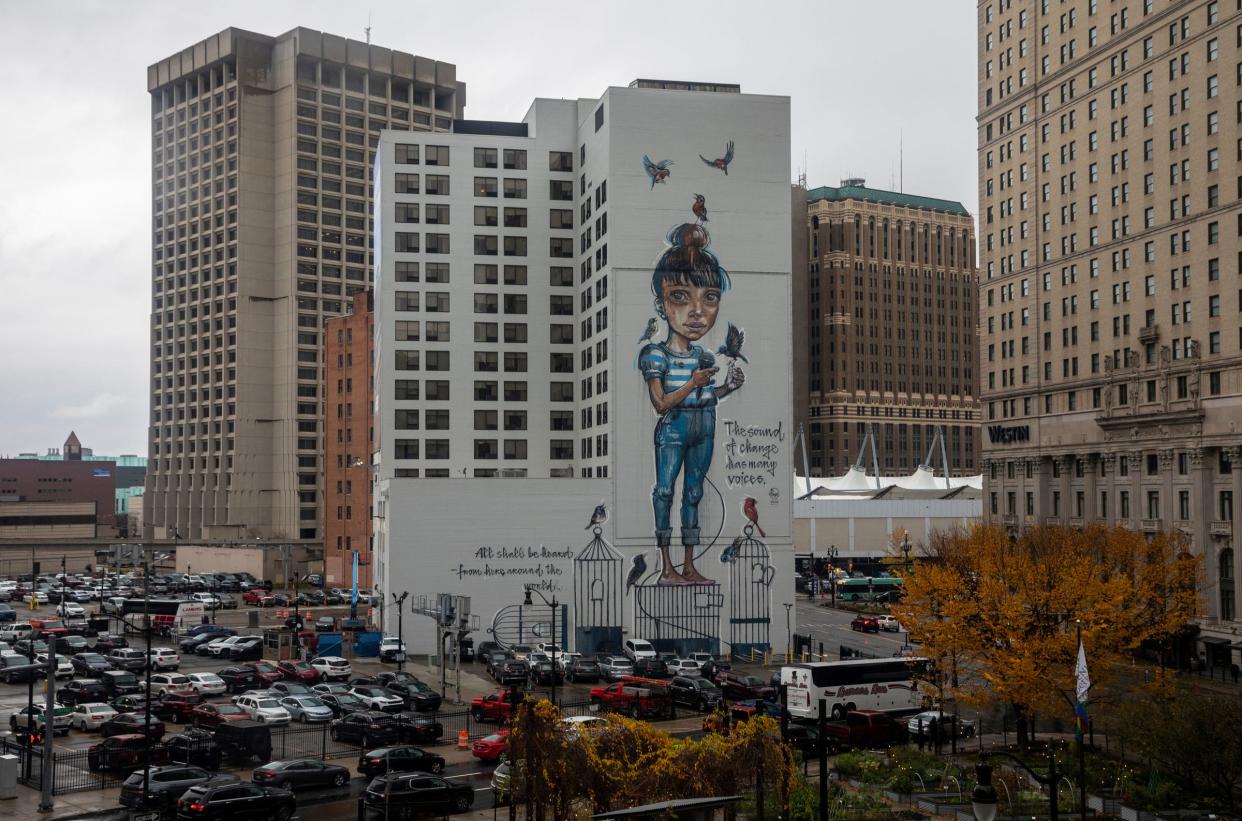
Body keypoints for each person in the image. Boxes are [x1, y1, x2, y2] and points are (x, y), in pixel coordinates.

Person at [640, 223, 745, 584]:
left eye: (710, 297)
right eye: (682, 297)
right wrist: (693, 383)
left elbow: (706, 395)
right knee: (665, 490)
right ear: (662, 303)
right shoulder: (655, 355)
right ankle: (666, 565)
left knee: (695, 493)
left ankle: (688, 564)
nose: (697, 311)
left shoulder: (701, 353)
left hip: (705, 425)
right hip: (674, 428)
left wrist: (726, 388)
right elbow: (660, 403)